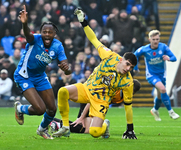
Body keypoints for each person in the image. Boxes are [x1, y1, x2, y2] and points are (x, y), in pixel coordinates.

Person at [52, 8, 138, 139]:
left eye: (131, 67)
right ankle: (65, 126)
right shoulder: (109, 55)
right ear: (121, 60)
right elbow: (93, 39)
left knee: (95, 133)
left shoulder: (128, 82)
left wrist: (130, 130)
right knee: (62, 91)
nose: (128, 68)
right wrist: (83, 22)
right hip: (87, 89)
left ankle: (105, 125)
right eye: (127, 64)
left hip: (101, 101)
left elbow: (128, 107)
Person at [13, 5, 71, 140]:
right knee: (40, 109)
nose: (47, 34)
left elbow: (68, 69)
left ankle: (42, 129)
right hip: (24, 75)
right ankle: (20, 109)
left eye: (50, 32)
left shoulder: (58, 46)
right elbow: (28, 35)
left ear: (54, 34)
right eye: (44, 32)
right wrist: (25, 23)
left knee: (52, 108)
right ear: (40, 32)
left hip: (39, 76)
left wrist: (66, 69)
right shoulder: (35, 39)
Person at [50, 79, 141, 135]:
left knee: (81, 127)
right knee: (84, 128)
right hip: (89, 99)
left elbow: (103, 104)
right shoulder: (115, 90)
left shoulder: (123, 97)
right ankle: (57, 124)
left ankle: (52, 121)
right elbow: (92, 101)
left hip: (95, 103)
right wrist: (82, 117)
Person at [134, 30, 179, 121]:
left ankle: (155, 110)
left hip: (162, 75)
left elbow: (174, 58)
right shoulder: (145, 49)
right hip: (151, 75)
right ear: (149, 39)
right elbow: (135, 55)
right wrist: (135, 67)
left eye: (157, 39)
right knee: (163, 89)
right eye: (153, 39)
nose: (155, 41)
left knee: (160, 96)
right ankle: (171, 112)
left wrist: (168, 58)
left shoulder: (163, 47)